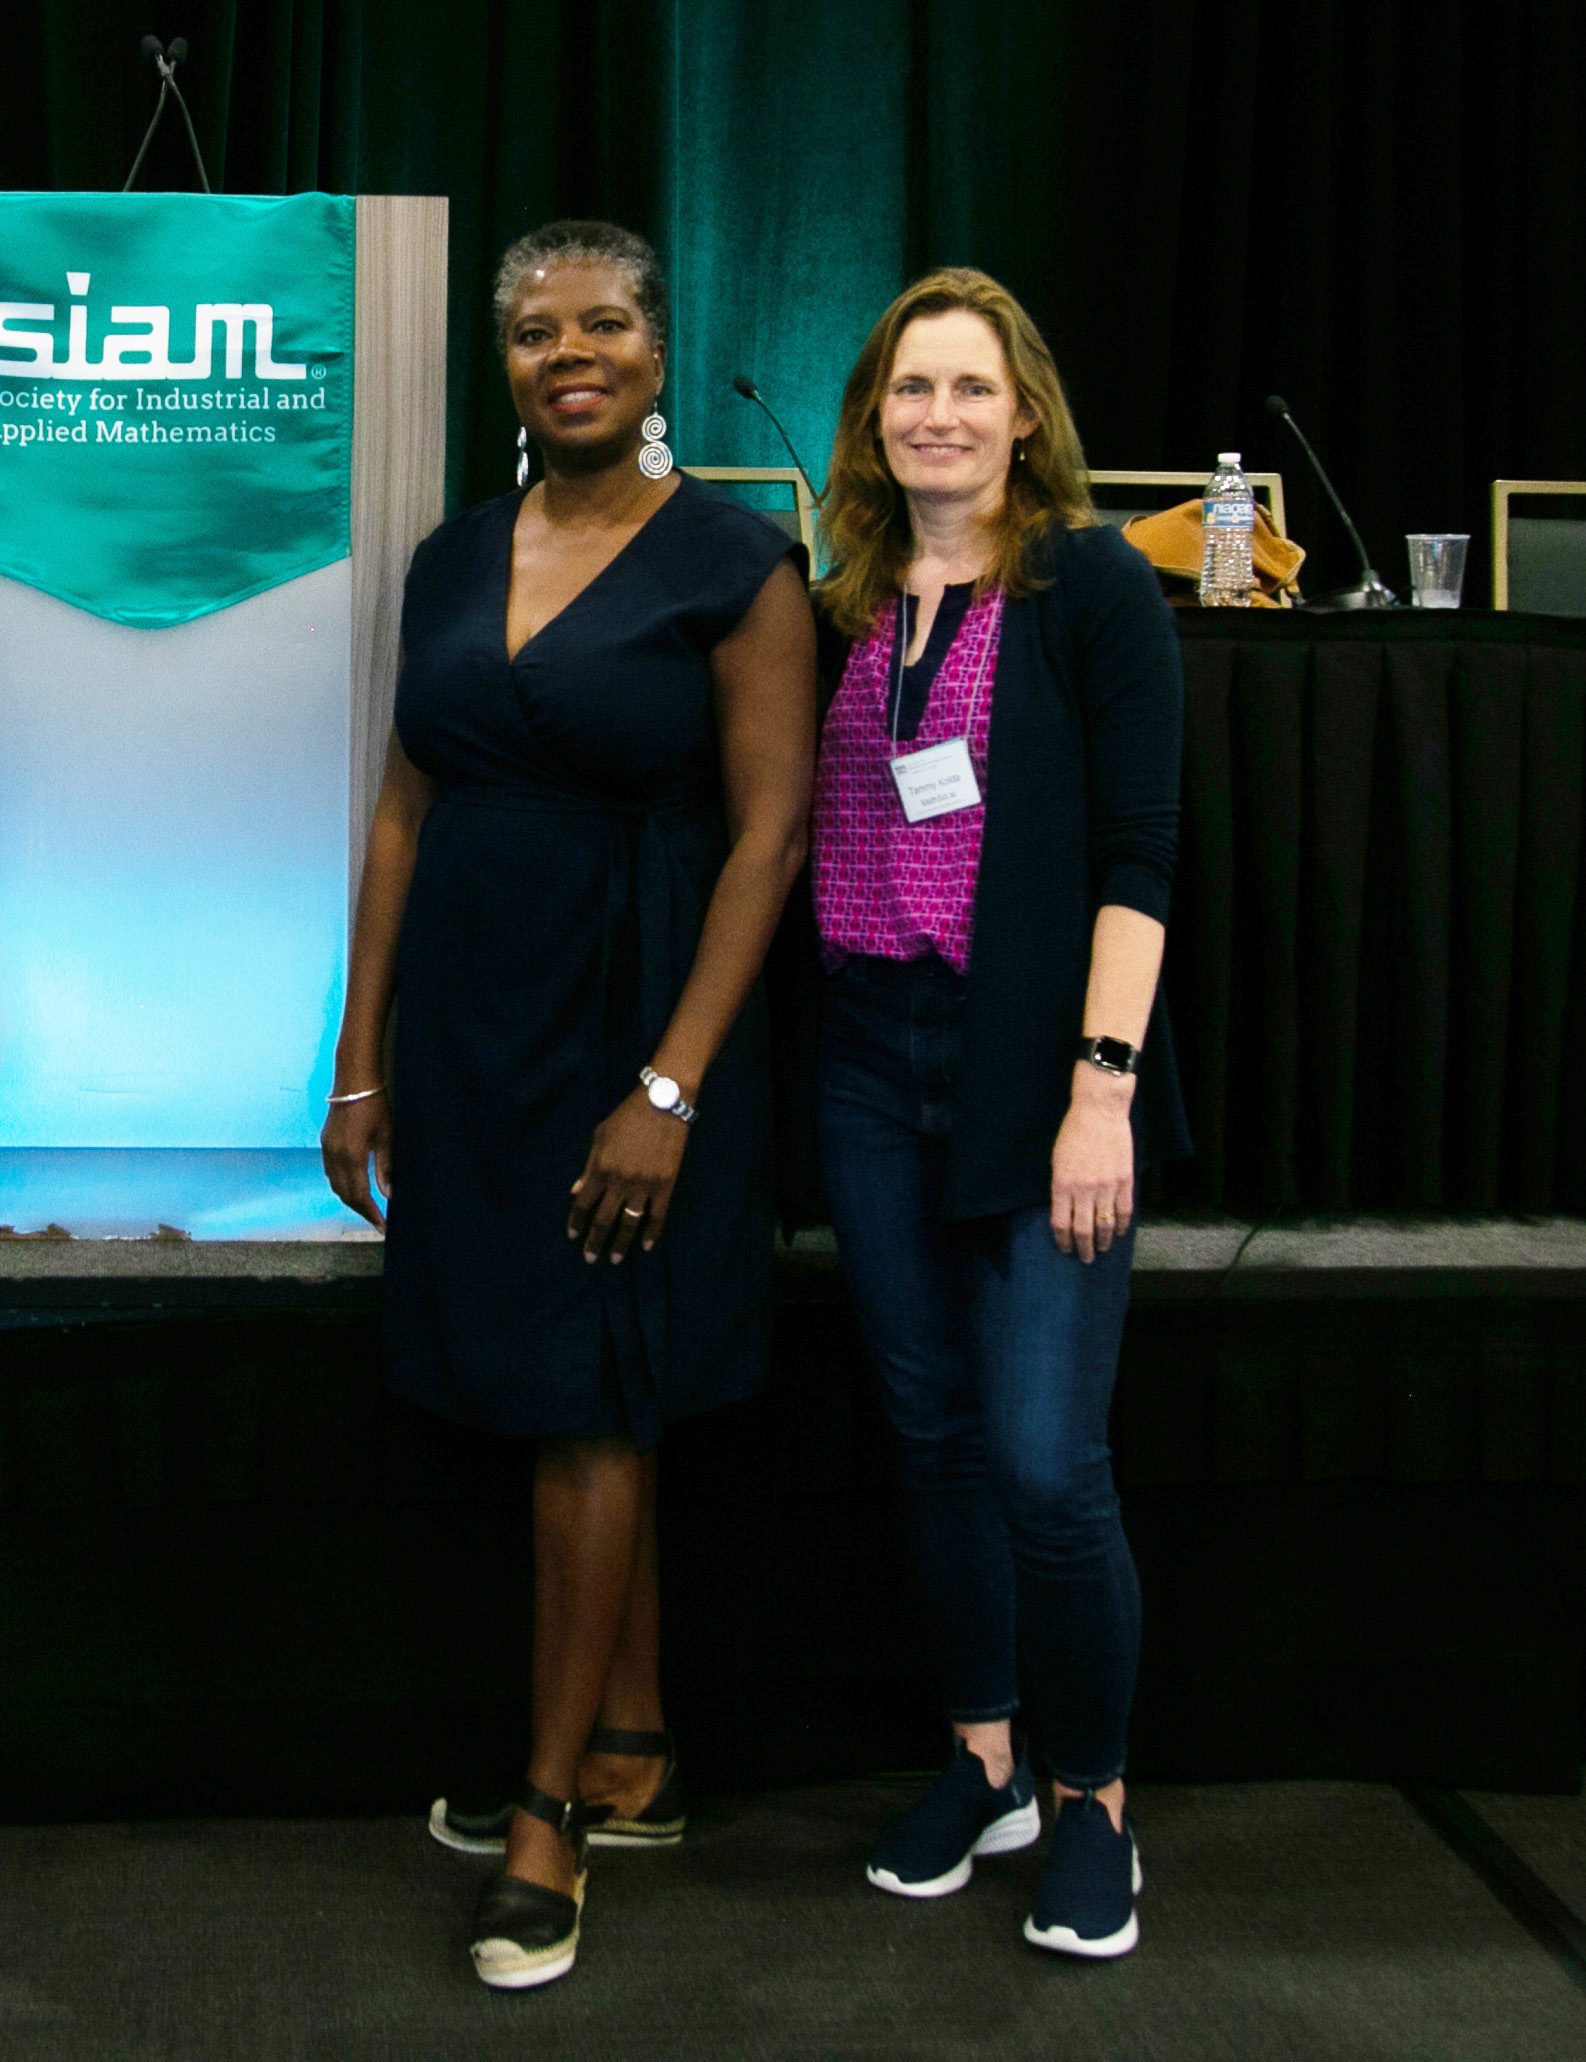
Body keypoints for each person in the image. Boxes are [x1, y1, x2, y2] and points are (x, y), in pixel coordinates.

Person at [322, 220, 815, 1991]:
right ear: (504, 362)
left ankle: (548, 1815)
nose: (567, 352)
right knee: (555, 1391)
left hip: (635, 1034)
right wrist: (357, 1053)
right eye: (534, 332)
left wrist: (669, 1086)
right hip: (468, 1037)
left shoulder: (735, 564)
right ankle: (632, 1746)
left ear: (659, 353)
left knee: (596, 1392)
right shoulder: (451, 561)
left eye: (602, 324)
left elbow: (770, 833)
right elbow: (399, 811)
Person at [810, 268, 1186, 1960]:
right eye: (908, 389)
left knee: (1044, 1458)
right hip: (869, 1060)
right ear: (874, 418)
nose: (936, 416)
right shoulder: (841, 595)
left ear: (1021, 412)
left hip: (1041, 1068)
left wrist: (1098, 1091)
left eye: (968, 387)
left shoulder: (1092, 588)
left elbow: (1137, 855)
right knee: (931, 1432)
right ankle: (989, 1759)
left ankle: (1095, 1795)